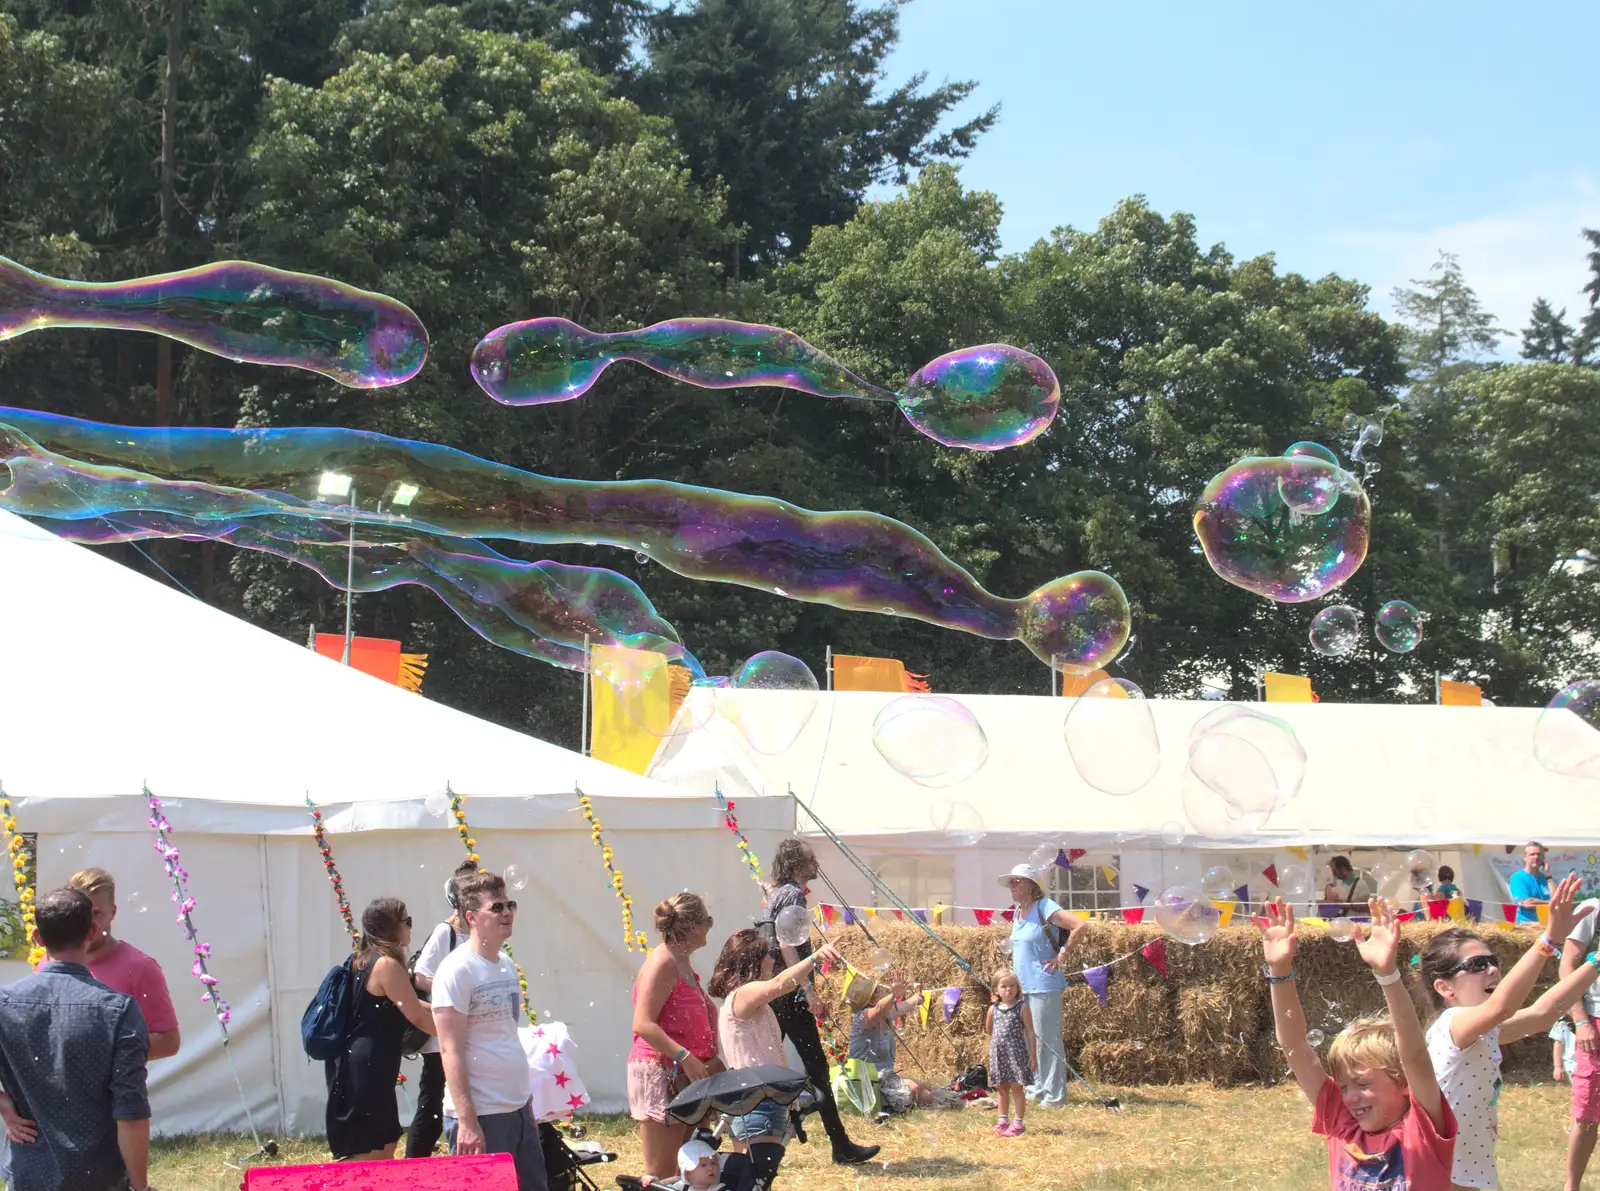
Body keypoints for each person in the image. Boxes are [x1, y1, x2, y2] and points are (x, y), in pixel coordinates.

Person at [1254, 896, 1456, 1190]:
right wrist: (1280, 971)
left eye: (1362, 1085)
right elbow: (1295, 1046)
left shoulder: (1422, 1128)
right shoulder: (1344, 1123)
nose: (1350, 1098)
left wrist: (1387, 975)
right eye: (1345, 1086)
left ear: (1403, 1083)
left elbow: (1414, 1055)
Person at [1421, 871, 1600, 1189]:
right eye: (1477, 965)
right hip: (1447, 1178)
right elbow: (1502, 1006)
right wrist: (1548, 941)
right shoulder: (1452, 1025)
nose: (1492, 969)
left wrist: (1597, 960)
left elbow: (1544, 1013)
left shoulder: (1482, 1031)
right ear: (1444, 987)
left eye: (1493, 960)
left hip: (1473, 1176)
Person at [0, 888, 153, 1191]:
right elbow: (131, 1112)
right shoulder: (118, 1010)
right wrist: (140, 1187)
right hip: (99, 1176)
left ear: (37, 938)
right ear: (94, 930)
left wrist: (3, 1103)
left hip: (28, 1173)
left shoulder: (4, 1003)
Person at [762, 839, 879, 1164]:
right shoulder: (793, 894)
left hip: (781, 992)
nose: (817, 864)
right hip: (791, 996)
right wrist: (807, 991)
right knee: (816, 1071)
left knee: (764, 1068)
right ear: (797, 864)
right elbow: (786, 945)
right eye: (811, 859)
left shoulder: (780, 892)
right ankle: (839, 1146)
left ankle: (832, 1142)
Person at [434, 870, 547, 1191]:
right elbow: (449, 1049)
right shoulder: (456, 969)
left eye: (509, 904)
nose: (507, 912)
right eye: (496, 907)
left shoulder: (505, 964)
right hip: (482, 1116)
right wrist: (468, 1122)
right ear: (471, 917)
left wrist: (524, 1106)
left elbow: (503, 1037)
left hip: (517, 1109)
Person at [709, 927, 841, 1191]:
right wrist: (814, 958)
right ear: (755, 960)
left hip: (758, 1103)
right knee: (753, 1183)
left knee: (752, 1183)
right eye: (769, 954)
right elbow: (780, 984)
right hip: (757, 1104)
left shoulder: (749, 1000)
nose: (774, 960)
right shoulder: (744, 994)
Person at [327, 897, 437, 1162]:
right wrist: (458, 1036)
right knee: (370, 1150)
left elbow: (407, 1002)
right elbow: (417, 1017)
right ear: (392, 928)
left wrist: (449, 1013)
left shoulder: (362, 959)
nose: (410, 928)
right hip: (368, 1066)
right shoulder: (387, 965)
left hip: (361, 1061)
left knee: (383, 1145)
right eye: (407, 922)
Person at [629, 892, 719, 1181]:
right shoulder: (663, 963)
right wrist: (685, 1056)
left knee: (688, 1172)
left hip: (683, 1074)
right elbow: (642, 1023)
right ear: (692, 926)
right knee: (662, 1174)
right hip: (662, 1070)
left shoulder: (681, 962)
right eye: (707, 920)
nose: (709, 926)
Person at [67, 867, 181, 1061]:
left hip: (115, 1090)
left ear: (113, 912)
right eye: (80, 913)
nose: (88, 923)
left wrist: (103, 1053)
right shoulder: (51, 961)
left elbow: (168, 1041)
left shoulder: (140, 967)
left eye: (97, 913)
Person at [999, 862, 1087, 1108]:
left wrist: (1062, 955)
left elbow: (1079, 925)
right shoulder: (1018, 912)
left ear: (1031, 885)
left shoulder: (1044, 906)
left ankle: (1054, 1096)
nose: (1012, 887)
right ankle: (1035, 1088)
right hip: (1022, 987)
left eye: (1016, 882)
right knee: (1029, 1040)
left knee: (1047, 1041)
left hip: (1044, 984)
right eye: (1011, 883)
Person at [408, 859, 478, 1159]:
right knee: (433, 1103)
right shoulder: (445, 932)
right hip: (441, 1034)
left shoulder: (477, 933)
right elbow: (421, 975)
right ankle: (414, 1164)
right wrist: (453, 989)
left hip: (467, 1030)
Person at [848, 973, 949, 1114]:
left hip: (885, 1079)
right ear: (871, 999)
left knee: (923, 1087)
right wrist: (894, 994)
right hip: (866, 1081)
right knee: (921, 1093)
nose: (883, 991)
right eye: (878, 990)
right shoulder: (863, 1018)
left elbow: (902, 1007)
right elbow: (878, 1010)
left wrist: (916, 998)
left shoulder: (886, 1016)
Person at [1558, 887, 1600, 1189]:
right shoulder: (1593, 910)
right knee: (1587, 1113)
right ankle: (1571, 1186)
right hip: (1596, 1021)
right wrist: (1581, 1019)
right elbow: (1567, 965)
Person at [985, 969, 1035, 1138]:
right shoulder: (993, 1009)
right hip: (999, 1054)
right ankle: (1002, 1120)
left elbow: (1030, 1032)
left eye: (1012, 985)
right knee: (1002, 1088)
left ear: (1017, 988)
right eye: (1003, 986)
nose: (1008, 989)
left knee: (1016, 1088)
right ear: (995, 990)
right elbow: (989, 1030)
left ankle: (1018, 1123)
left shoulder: (1022, 1007)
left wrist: (1033, 1056)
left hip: (1016, 1054)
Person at [1509, 841, 1552, 925]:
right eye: (1532, 854)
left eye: (1539, 854)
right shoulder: (1518, 878)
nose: (1536, 857)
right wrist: (1550, 903)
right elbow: (1527, 903)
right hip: (1526, 927)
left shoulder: (1545, 878)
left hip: (1546, 926)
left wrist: (1548, 875)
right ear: (1524, 857)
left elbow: (1557, 899)